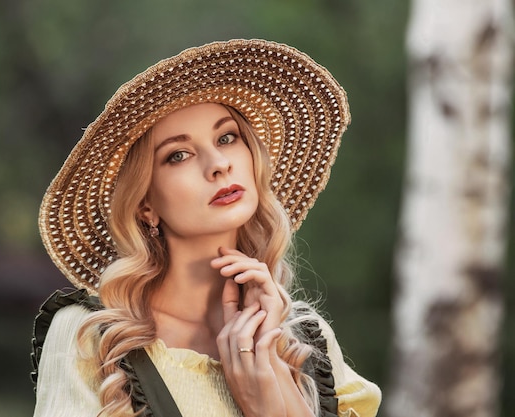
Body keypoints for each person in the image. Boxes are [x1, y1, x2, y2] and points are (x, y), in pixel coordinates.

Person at [31, 39, 381, 417]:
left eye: (227, 138)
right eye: (178, 155)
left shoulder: (307, 340)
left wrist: (271, 393)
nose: (218, 164)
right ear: (145, 204)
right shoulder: (91, 338)